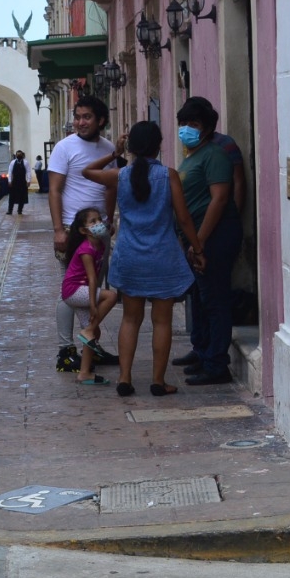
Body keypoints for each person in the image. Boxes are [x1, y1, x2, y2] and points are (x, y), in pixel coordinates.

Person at [83, 122, 205, 397]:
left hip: (130, 257)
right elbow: (184, 219)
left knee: (130, 319)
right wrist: (197, 249)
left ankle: (124, 378)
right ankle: (158, 381)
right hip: (163, 258)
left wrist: (115, 153)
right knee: (162, 321)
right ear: (158, 146)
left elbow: (86, 172)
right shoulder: (168, 176)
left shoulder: (120, 175)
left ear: (132, 147)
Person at [169, 97, 242, 386]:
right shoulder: (192, 156)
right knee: (200, 298)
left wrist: (199, 242)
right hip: (196, 238)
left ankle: (216, 364)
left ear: (208, 128)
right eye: (184, 123)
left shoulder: (214, 155)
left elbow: (220, 199)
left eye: (194, 124)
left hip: (215, 235)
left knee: (215, 300)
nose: (187, 129)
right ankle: (203, 351)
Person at [47, 95, 118, 373]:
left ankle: (90, 347)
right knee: (70, 291)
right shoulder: (64, 148)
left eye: (86, 117)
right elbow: (55, 189)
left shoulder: (109, 148)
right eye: (77, 117)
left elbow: (110, 187)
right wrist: (58, 230)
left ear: (101, 120)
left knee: (92, 292)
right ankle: (65, 351)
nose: (80, 122)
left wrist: (109, 221)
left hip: (98, 231)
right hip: (72, 229)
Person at [60, 207, 118, 385]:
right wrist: (93, 304)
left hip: (80, 290)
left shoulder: (99, 245)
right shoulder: (86, 249)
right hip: (74, 291)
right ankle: (89, 328)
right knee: (111, 296)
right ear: (83, 230)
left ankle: (84, 372)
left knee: (92, 335)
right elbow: (92, 279)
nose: (98, 223)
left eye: (99, 219)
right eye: (92, 222)